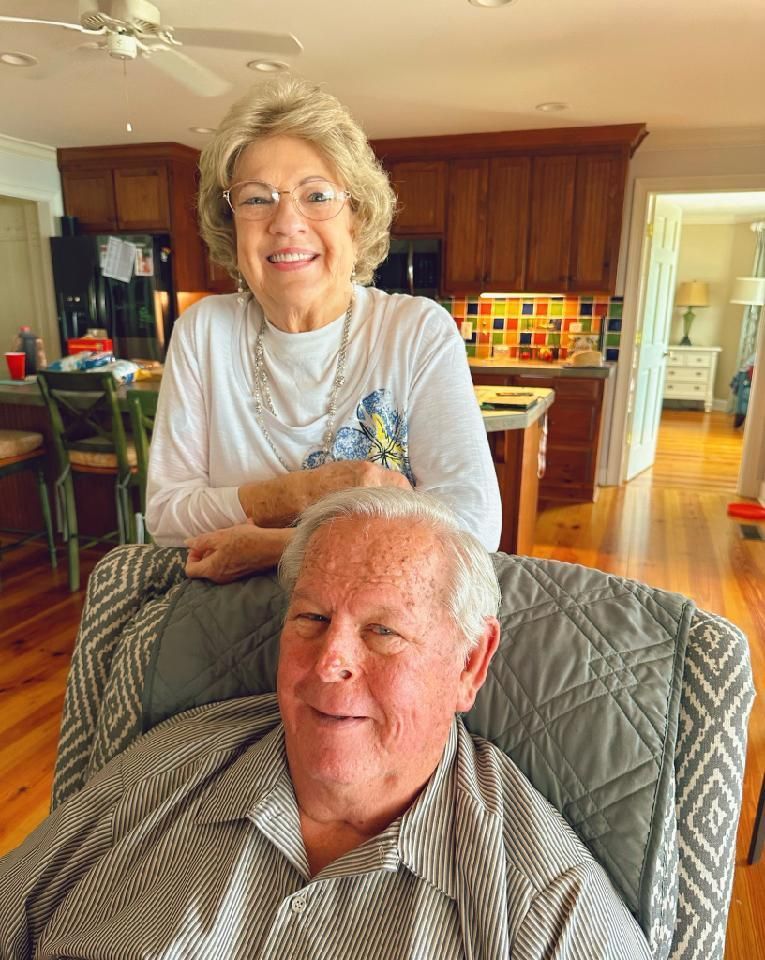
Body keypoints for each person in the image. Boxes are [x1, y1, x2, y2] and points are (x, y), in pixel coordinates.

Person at [0, 488, 650, 959]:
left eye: (383, 630)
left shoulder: (545, 909)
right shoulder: (165, 764)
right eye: (311, 618)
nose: (327, 662)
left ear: (470, 663)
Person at [145, 76, 501, 582]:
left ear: (356, 218)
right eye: (256, 199)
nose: (286, 222)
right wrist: (299, 493)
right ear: (231, 224)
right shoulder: (203, 332)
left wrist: (273, 546)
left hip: (381, 602)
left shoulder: (417, 331)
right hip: (228, 607)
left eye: (316, 195)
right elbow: (165, 517)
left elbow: (474, 525)